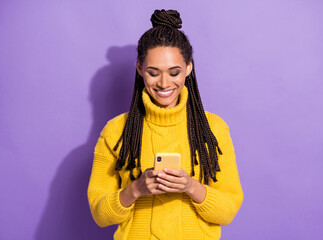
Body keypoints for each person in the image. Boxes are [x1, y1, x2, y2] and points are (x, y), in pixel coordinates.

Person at [87, 9, 244, 240]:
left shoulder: (214, 129)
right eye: (153, 72)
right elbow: (100, 214)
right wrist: (136, 190)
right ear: (140, 69)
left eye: (174, 72)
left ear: (189, 68)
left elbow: (228, 211)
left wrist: (191, 186)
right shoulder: (116, 131)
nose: (164, 83)